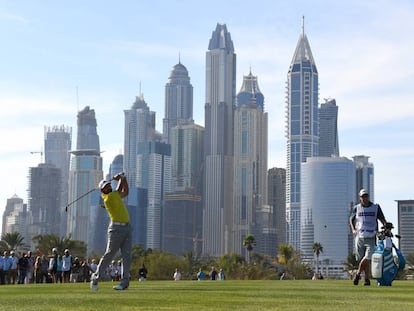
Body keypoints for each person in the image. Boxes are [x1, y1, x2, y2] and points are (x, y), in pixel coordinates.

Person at [90, 172, 131, 291]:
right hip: (116, 229)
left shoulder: (114, 195)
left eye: (108, 185)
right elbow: (119, 189)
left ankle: (124, 283)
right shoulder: (108, 198)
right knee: (110, 254)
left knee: (127, 256)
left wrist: (124, 179)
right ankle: (95, 277)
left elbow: (126, 192)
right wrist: (121, 179)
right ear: (102, 191)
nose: (108, 187)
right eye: (105, 187)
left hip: (127, 227)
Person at [350, 188, 387, 286]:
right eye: (363, 197)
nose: (364, 198)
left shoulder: (375, 207)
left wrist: (385, 226)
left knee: (368, 257)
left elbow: (382, 219)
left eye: (366, 196)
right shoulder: (356, 208)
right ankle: (366, 279)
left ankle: (357, 275)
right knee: (362, 258)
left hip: (371, 235)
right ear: (360, 198)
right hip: (359, 236)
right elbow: (351, 219)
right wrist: (353, 229)